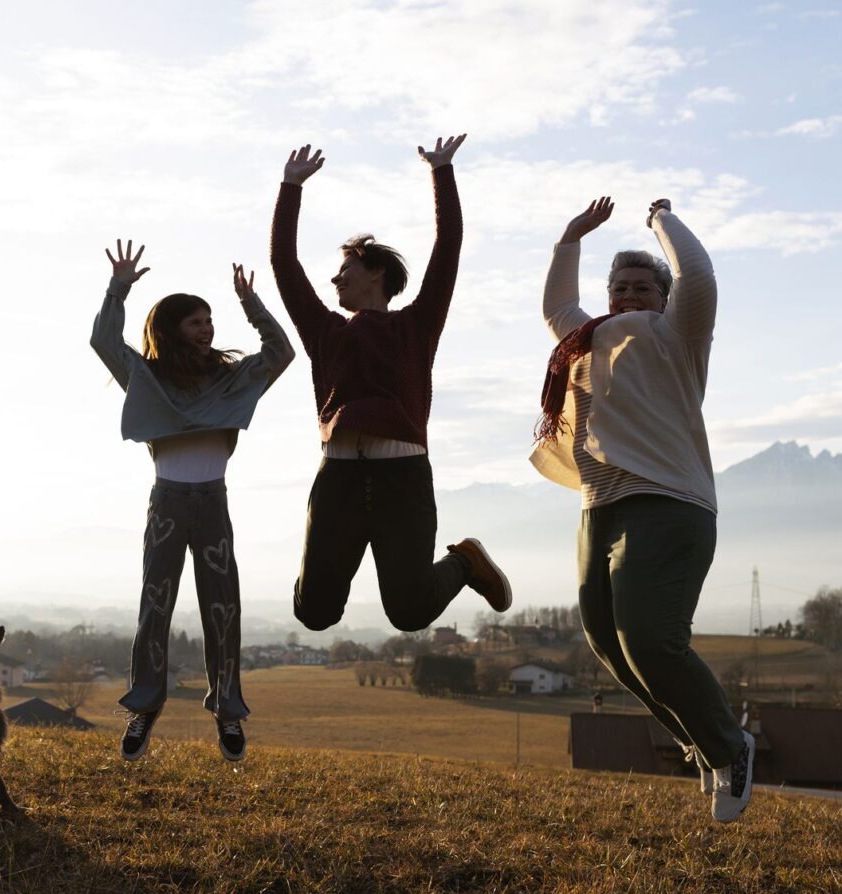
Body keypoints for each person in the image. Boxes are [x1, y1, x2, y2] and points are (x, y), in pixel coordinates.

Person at [532, 195, 755, 823]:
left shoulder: (677, 336)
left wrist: (661, 218)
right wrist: (571, 236)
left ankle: (731, 745)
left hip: (667, 503)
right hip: (599, 508)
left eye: (641, 286)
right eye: (619, 287)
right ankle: (704, 742)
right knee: (608, 641)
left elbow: (699, 275)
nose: (628, 295)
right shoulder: (585, 340)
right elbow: (555, 305)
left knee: (652, 639)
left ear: (662, 297)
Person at [271, 138, 512, 639]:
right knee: (313, 613)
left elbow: (448, 250)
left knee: (410, 612)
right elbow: (284, 266)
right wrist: (290, 187)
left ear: (376, 272)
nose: (335, 278)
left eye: (345, 269)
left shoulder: (417, 325)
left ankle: (466, 562)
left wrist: (441, 173)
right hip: (336, 479)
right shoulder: (325, 331)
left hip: (402, 480)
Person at [90, 240, 295, 762]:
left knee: (223, 607)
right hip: (167, 504)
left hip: (213, 503)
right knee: (153, 607)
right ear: (171, 329)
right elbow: (102, 340)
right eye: (194, 321)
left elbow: (281, 353)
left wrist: (252, 305)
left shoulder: (232, 379)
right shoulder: (147, 378)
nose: (206, 327)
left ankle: (228, 711)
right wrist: (118, 289)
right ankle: (144, 707)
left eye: (209, 319)